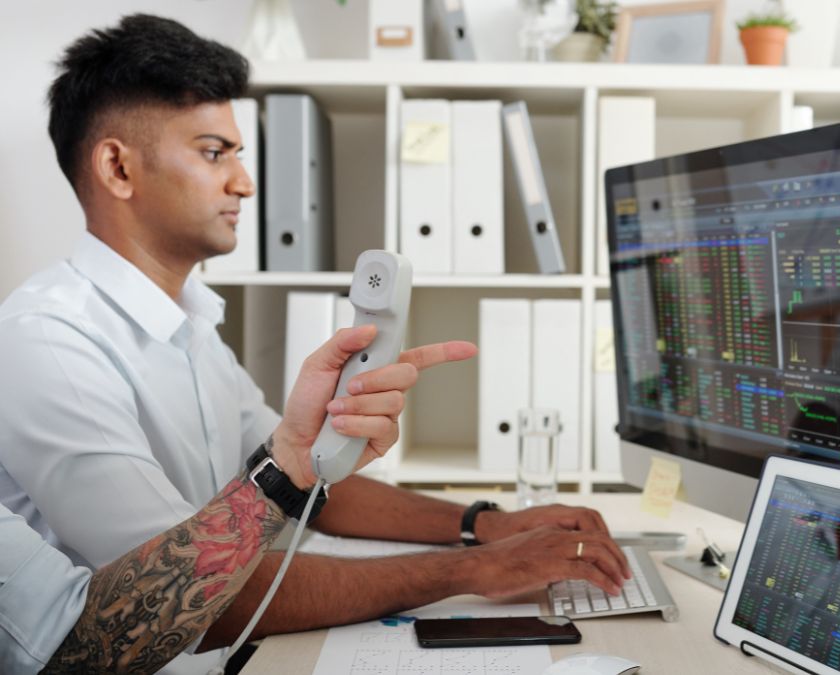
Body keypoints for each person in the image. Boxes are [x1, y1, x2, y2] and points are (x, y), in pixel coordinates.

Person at [0, 13, 629, 674]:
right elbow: (205, 598)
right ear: (118, 167)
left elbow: (313, 482)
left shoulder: (190, 323)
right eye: (216, 152)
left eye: (240, 155)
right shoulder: (49, 344)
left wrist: (483, 520)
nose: (244, 182)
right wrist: (472, 567)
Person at [7, 324, 410, 674]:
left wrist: (471, 520)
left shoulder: (198, 333)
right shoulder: (43, 342)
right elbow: (90, 641)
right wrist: (452, 571)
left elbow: (307, 464)